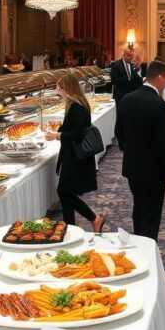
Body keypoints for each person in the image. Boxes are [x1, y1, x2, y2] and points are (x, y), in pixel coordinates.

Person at [115, 60, 165, 240]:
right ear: (160, 77)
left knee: (139, 207)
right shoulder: (160, 105)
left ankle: (139, 243)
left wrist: (131, 150)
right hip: (153, 170)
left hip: (132, 165)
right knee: (151, 214)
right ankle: (148, 249)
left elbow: (119, 132)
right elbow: (163, 144)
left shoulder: (127, 99)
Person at [44, 74, 106, 233]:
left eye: (58, 87)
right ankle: (70, 228)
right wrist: (59, 130)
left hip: (76, 156)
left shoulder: (76, 107)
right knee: (66, 193)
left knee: (64, 192)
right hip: (74, 155)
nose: (57, 91)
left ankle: (94, 218)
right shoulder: (75, 104)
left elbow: (79, 133)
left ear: (66, 88)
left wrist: (58, 135)